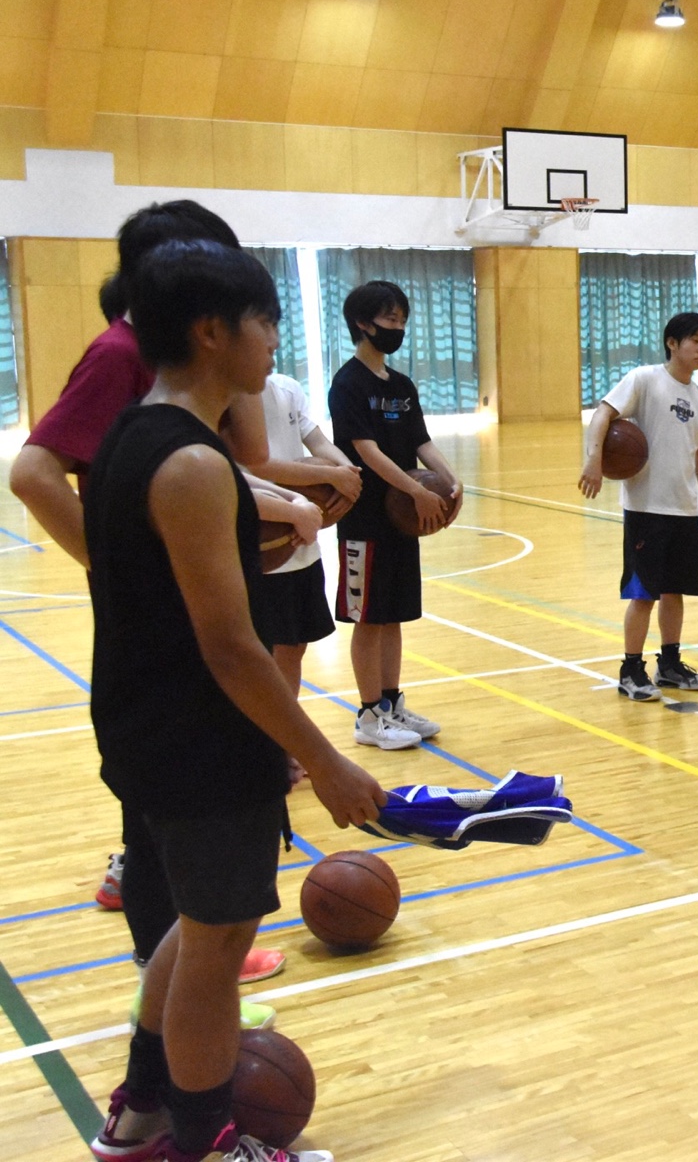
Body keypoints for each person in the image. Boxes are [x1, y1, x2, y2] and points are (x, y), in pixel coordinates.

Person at [85, 238, 384, 1162]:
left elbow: (165, 584)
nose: (272, 342)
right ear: (212, 332)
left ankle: (140, 1113)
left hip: (142, 726)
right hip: (203, 738)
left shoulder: (130, 440)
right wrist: (325, 758)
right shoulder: (193, 463)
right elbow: (229, 645)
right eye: (264, 321)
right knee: (217, 951)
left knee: (192, 930)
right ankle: (209, 1140)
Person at [6, 201, 292, 1003]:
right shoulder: (122, 356)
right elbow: (31, 472)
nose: (267, 332)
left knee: (162, 820)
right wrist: (125, 571)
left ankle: (172, 1012)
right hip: (172, 680)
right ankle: (171, 1006)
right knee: (171, 836)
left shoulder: (172, 400)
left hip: (159, 674)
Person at [327, 280, 459, 751]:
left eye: (403, 320)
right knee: (368, 618)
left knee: (394, 615)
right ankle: (367, 716)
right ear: (363, 324)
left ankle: (390, 703)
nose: (398, 327)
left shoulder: (401, 385)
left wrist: (449, 477)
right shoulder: (348, 384)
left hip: (402, 519)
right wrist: (415, 490)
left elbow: (420, 441)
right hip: (364, 517)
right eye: (390, 319)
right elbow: (366, 452)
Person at [578, 311, 698, 701]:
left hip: (683, 509)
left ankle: (670, 665)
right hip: (645, 509)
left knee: (676, 592)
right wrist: (594, 460)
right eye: (695, 340)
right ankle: (630, 669)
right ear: (672, 343)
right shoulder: (644, 380)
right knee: (644, 594)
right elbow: (604, 414)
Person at [252, 372, 363, 713]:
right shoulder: (227, 394)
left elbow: (318, 442)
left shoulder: (287, 388)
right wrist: (330, 476)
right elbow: (260, 467)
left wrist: (349, 475)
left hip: (301, 538)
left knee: (293, 645)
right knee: (263, 650)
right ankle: (265, 743)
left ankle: (283, 740)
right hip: (262, 535)